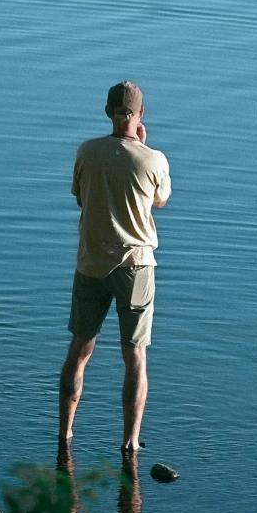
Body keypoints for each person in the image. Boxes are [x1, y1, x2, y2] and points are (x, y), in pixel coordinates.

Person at [58, 80, 171, 475]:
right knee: (135, 354)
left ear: (107, 111)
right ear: (140, 114)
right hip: (136, 267)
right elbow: (160, 200)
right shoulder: (153, 159)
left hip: (90, 264)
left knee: (80, 349)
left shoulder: (87, 152)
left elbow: (79, 196)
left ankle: (65, 434)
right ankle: (129, 442)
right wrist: (142, 143)